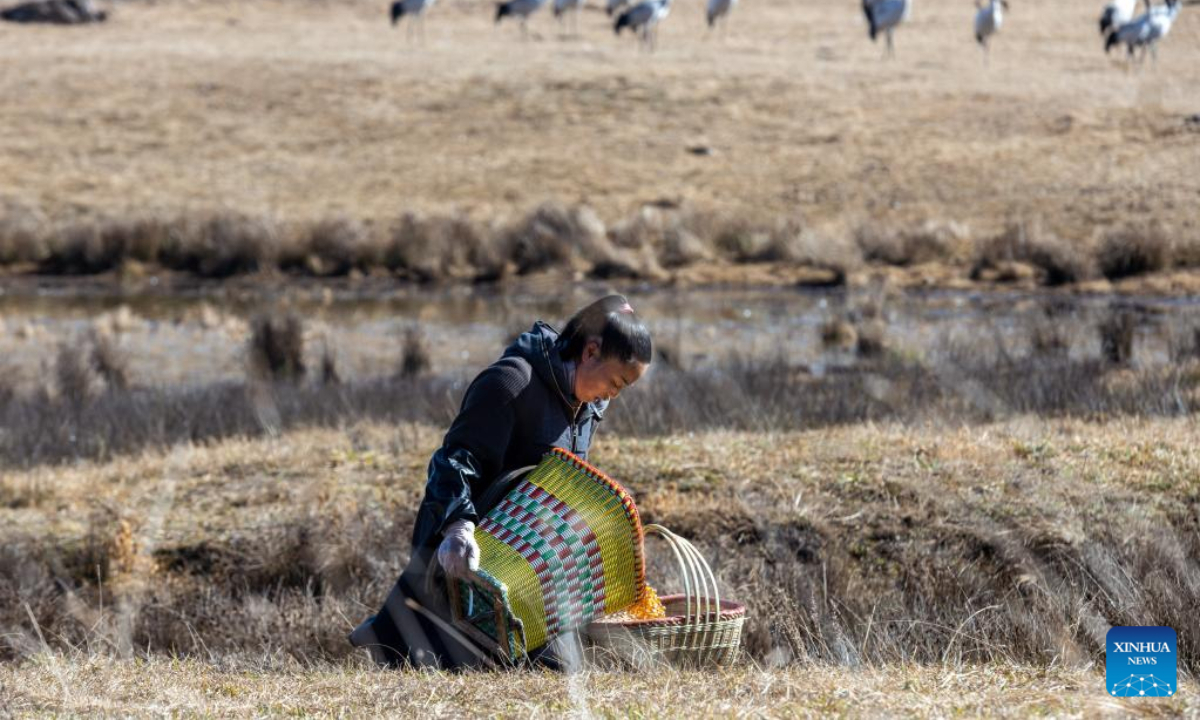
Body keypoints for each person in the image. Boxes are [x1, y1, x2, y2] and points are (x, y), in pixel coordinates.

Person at [350, 294, 653, 669]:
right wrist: (458, 527)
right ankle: (394, 634)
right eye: (616, 382)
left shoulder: (587, 406)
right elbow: (453, 461)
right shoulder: (511, 383)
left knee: (561, 673)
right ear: (590, 352)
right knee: (450, 667)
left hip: (528, 564)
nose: (614, 395)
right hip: (468, 555)